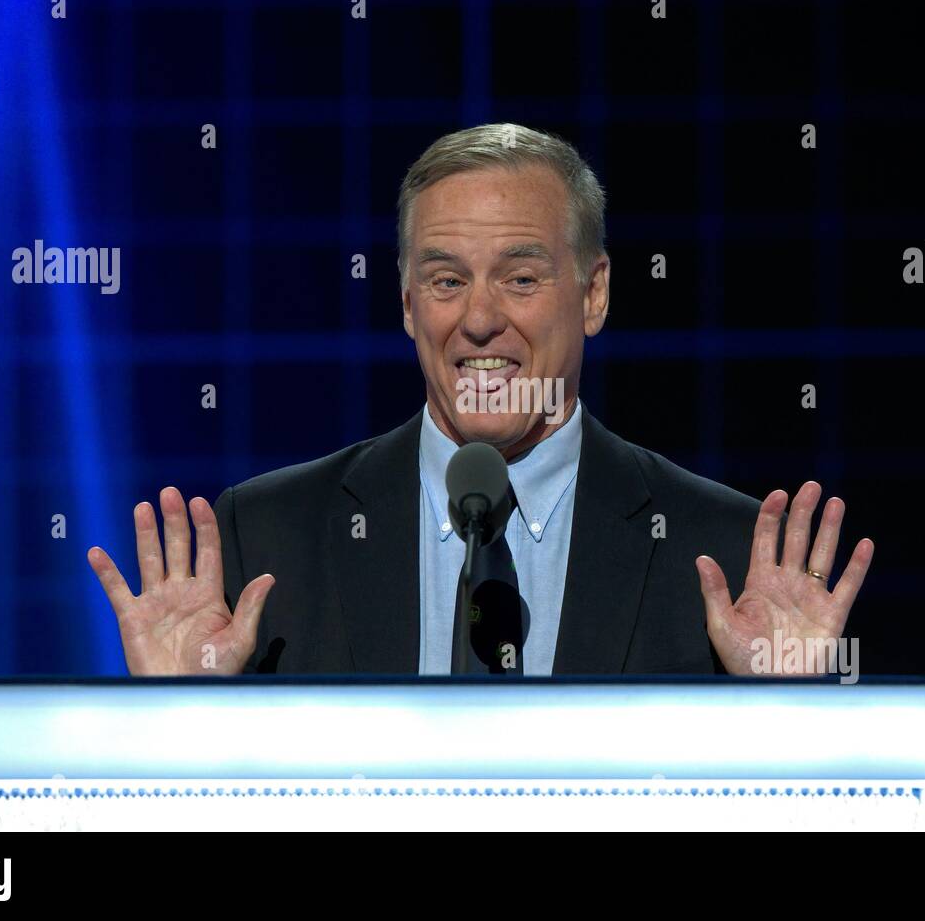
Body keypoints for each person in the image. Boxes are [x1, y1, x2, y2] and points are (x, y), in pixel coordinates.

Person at [86, 123, 874, 676]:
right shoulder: (265, 537)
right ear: (405, 304)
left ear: (594, 293)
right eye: (446, 280)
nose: (481, 318)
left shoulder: (729, 555)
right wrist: (177, 715)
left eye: (522, 277)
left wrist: (789, 713)